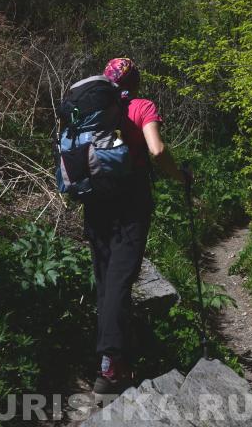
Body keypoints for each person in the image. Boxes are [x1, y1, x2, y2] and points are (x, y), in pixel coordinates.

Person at [84, 57, 186, 396]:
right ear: (136, 82)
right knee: (120, 280)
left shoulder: (91, 109)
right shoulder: (142, 105)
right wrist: (181, 176)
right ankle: (111, 365)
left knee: (106, 280)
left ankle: (115, 359)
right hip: (130, 202)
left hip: (95, 200)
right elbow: (156, 150)